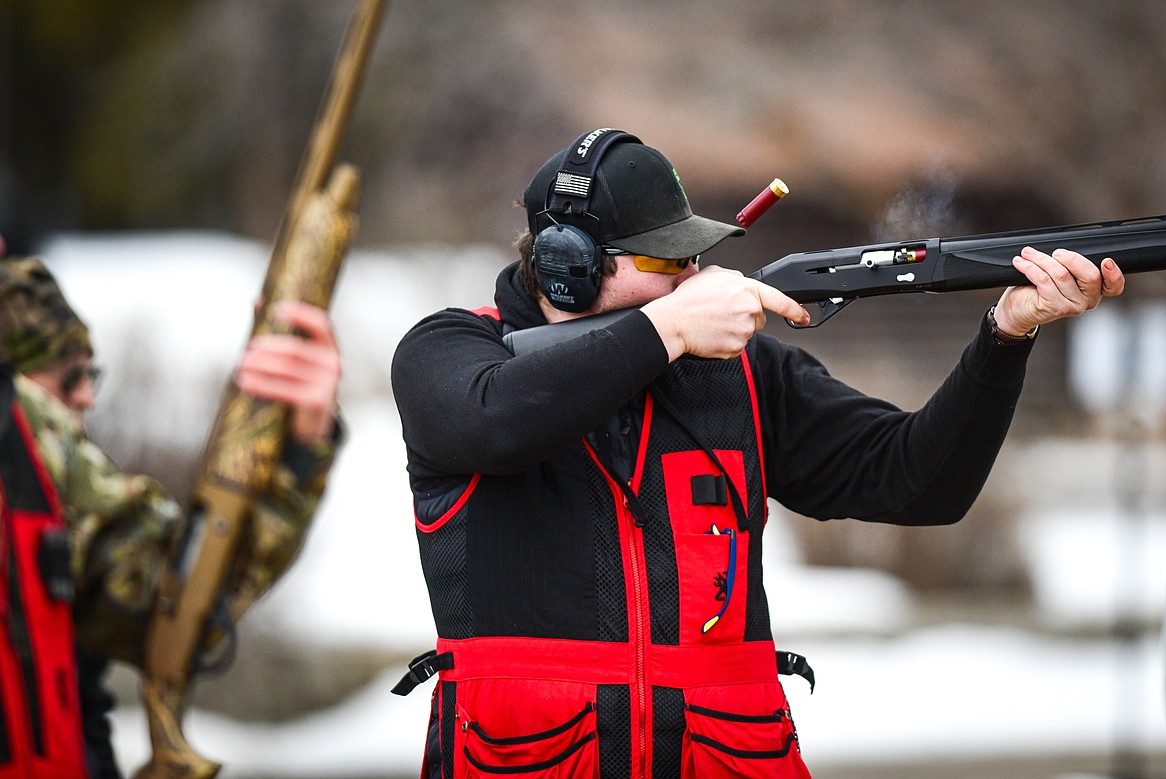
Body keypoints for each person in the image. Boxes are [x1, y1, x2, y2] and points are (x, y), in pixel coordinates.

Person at [389, 128, 1123, 778]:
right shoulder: (449, 351)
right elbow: (492, 424)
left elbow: (921, 481)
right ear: (567, 266)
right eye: (663, 257)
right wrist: (668, 330)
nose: (690, 276)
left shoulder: (743, 374)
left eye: (693, 254)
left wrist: (1006, 334)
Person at [0, 254, 342, 778]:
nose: (88, 395)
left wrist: (294, 444)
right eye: (69, 377)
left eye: (90, 372)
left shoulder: (51, 475)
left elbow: (177, 605)